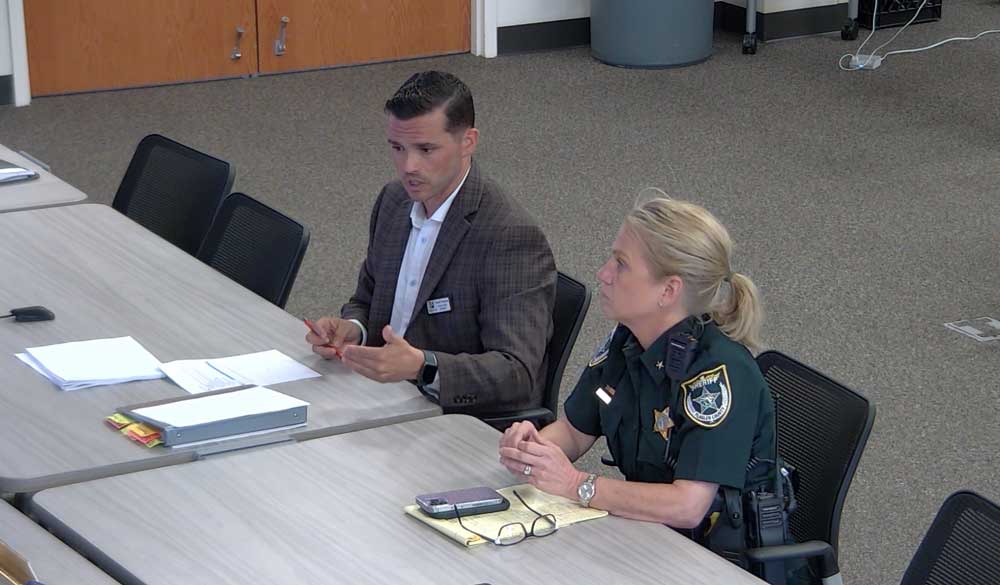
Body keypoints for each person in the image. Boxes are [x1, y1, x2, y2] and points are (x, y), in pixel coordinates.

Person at [498, 196, 776, 535]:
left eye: (621, 264)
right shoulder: (626, 341)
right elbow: (574, 431)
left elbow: (687, 506)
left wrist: (577, 485)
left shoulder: (718, 375)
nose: (603, 273)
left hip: (717, 560)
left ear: (669, 290)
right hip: (648, 535)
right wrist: (533, 451)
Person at [307, 71, 557, 417]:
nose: (408, 166)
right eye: (397, 148)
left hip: (451, 418)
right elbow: (366, 297)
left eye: (426, 149)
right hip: (380, 397)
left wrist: (421, 366)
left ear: (468, 141)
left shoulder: (509, 236)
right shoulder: (393, 201)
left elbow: (515, 373)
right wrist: (354, 329)